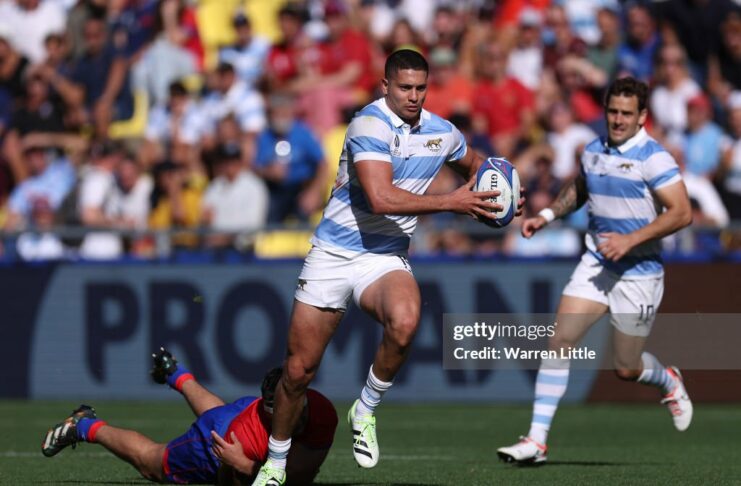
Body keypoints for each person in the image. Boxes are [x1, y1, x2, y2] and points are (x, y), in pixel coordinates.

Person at [251, 49, 521, 486]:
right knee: (298, 371)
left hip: (384, 256)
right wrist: (454, 201)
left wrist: (504, 191)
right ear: (386, 87)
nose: (413, 96)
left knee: (406, 320)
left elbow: (477, 164)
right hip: (333, 255)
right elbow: (381, 197)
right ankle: (276, 463)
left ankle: (366, 408)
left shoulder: (441, 132)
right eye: (405, 88)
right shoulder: (368, 124)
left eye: (420, 88)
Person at [497, 77, 694, 465]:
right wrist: (548, 214)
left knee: (626, 367)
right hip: (596, 263)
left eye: (626, 113)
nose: (617, 120)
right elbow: (581, 186)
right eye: (612, 111)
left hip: (639, 270)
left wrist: (630, 240)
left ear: (642, 117)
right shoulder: (592, 149)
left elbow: (682, 213)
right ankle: (536, 440)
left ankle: (668, 380)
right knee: (560, 339)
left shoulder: (653, 158)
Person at [41, 348, 337, 485]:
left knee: (216, 414)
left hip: (238, 415)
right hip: (220, 445)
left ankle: (175, 374)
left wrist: (254, 468)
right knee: (153, 463)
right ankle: (84, 425)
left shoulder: (322, 411)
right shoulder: (241, 440)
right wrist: (244, 467)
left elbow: (302, 473)